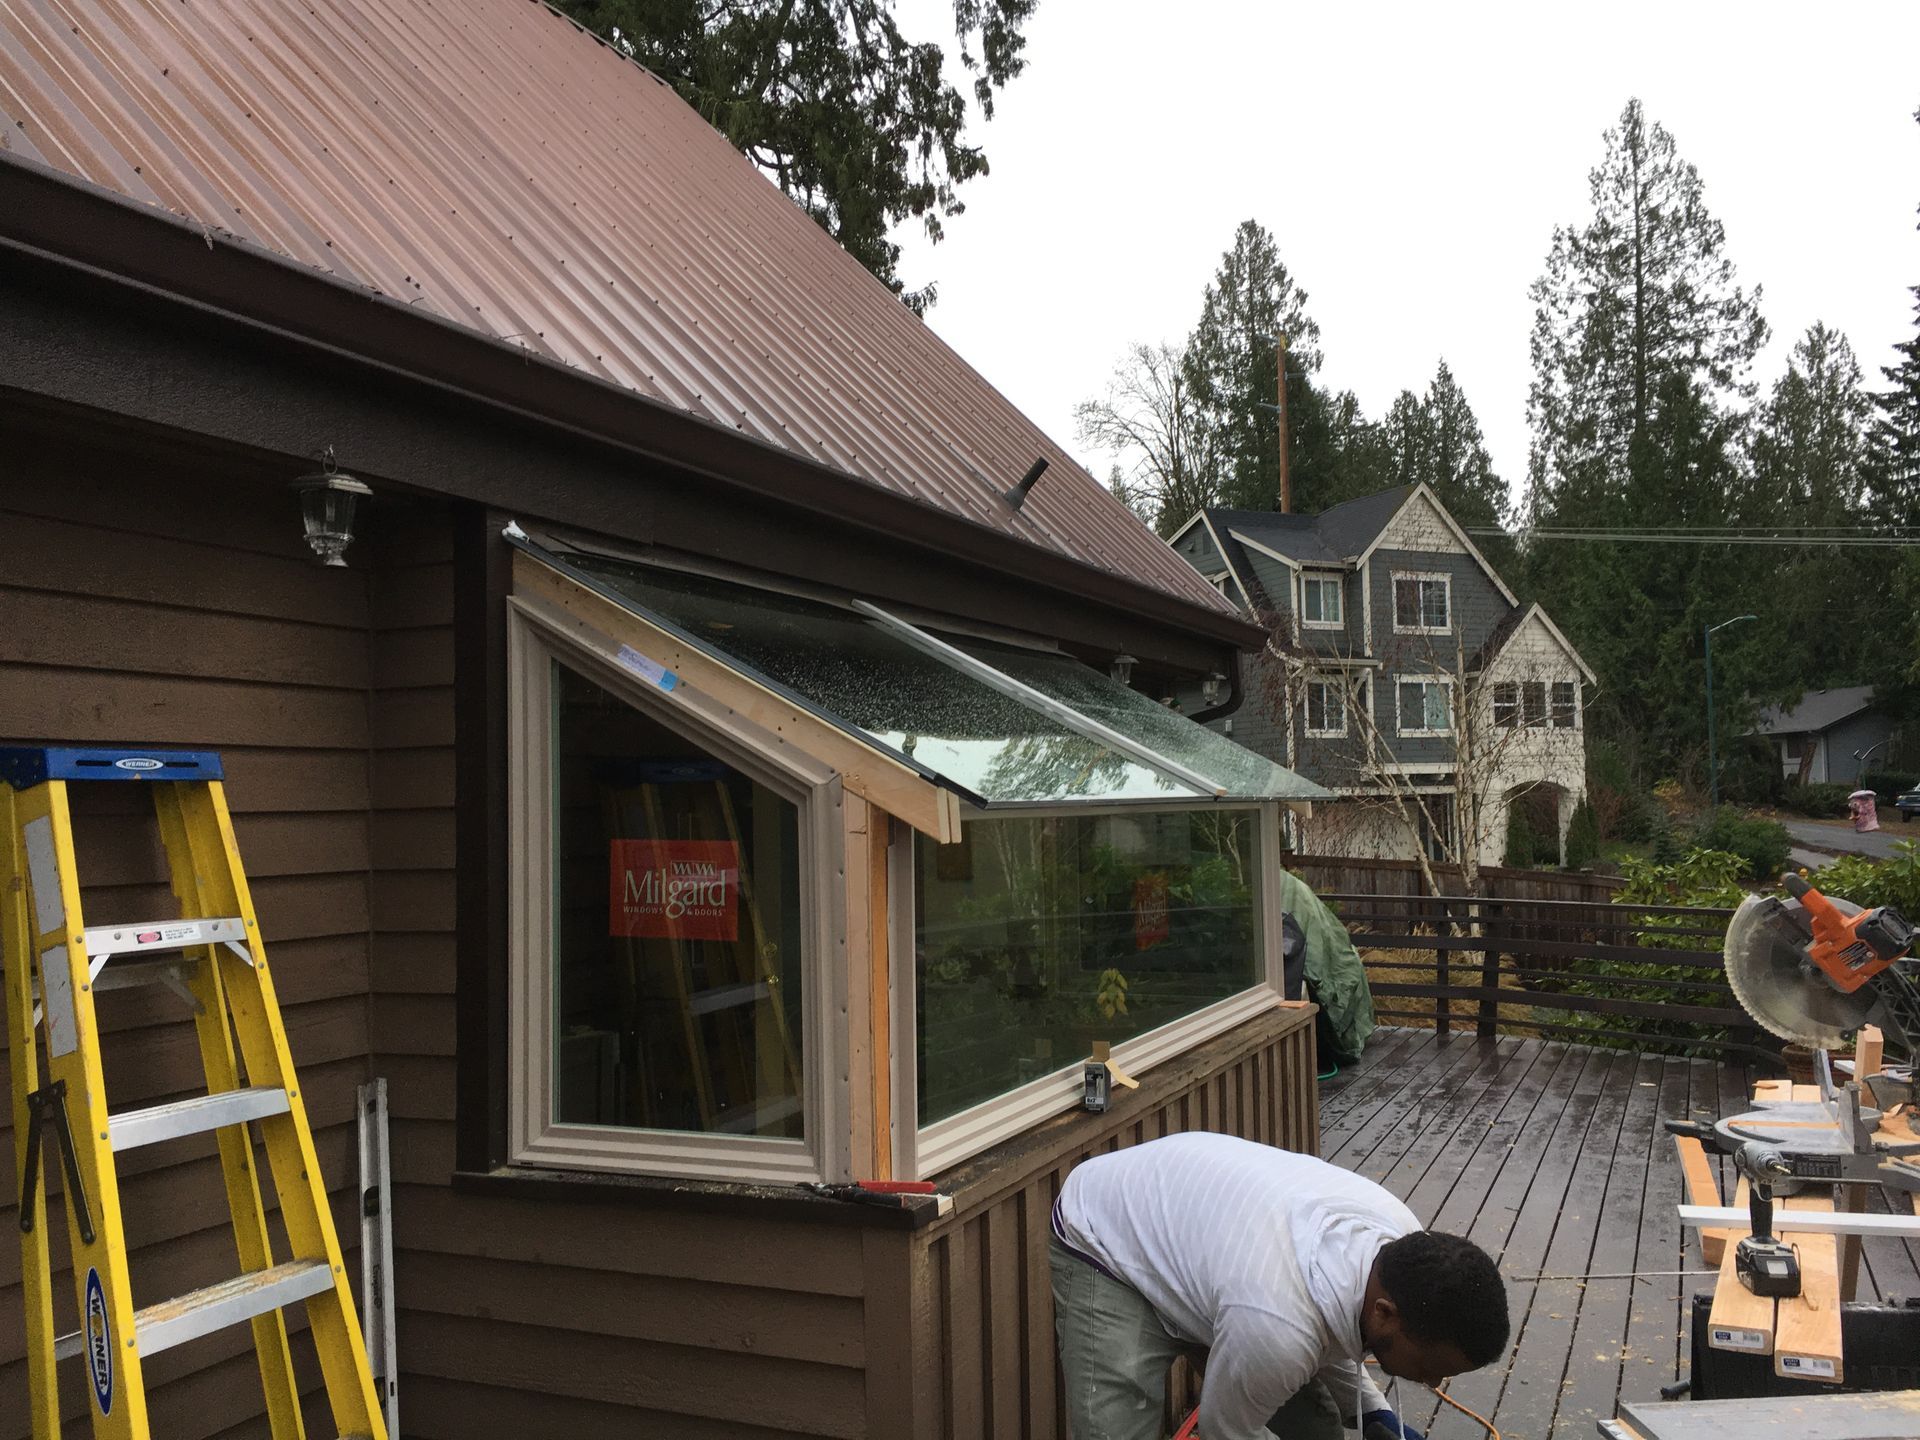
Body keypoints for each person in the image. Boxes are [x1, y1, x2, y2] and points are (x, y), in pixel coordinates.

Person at [1051, 1132, 1510, 1440]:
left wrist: (1375, 1414)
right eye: (1430, 1366)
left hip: (1217, 1255)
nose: (1432, 1382)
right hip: (1108, 1236)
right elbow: (1225, 1430)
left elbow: (1336, 1319)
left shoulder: (1400, 1244)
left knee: (1314, 1428)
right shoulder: (1277, 1326)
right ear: (1385, 1312)